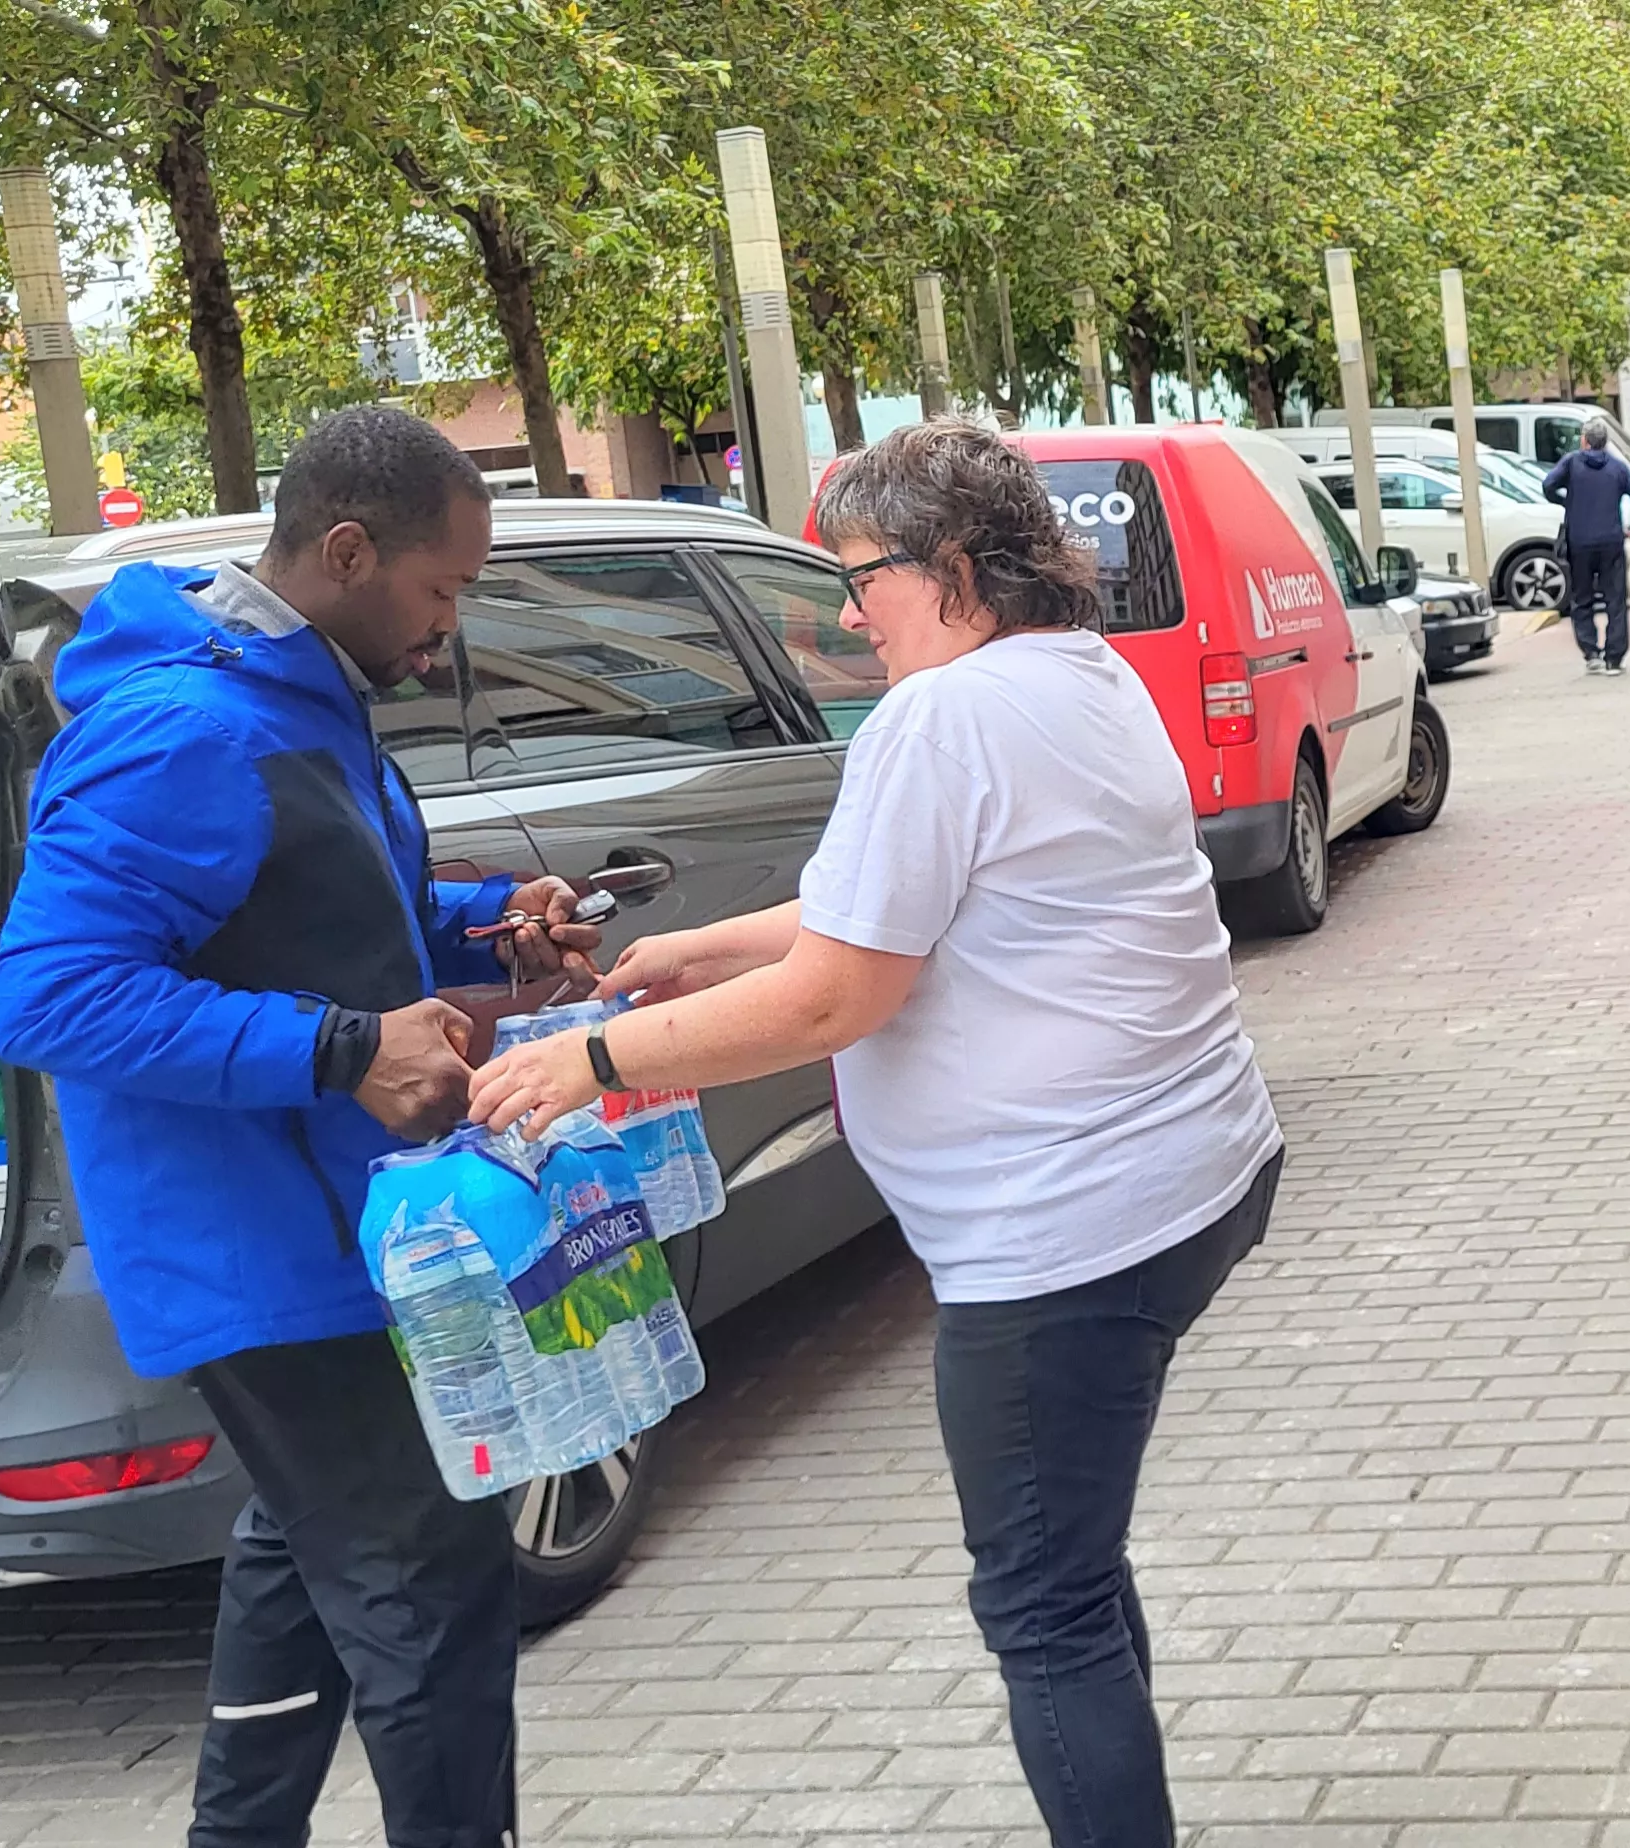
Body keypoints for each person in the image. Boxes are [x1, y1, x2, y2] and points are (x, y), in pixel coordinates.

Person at [466, 416, 1281, 1847]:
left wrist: (591, 1057)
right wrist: (699, 948)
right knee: (1071, 1574)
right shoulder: (1076, 677)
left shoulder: (942, 715)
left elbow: (836, 996)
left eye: (864, 576)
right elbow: (898, 900)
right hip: (1190, 1176)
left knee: (1039, 1606)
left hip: (1061, 1239)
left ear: (956, 566)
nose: (845, 612)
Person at [0, 405, 598, 1848]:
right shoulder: (183, 730)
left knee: (304, 1554)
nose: (448, 630)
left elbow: (307, 916)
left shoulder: (291, 699)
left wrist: (485, 921)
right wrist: (338, 1050)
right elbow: (46, 994)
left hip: (335, 1230)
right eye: (442, 590)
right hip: (262, 1257)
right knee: (433, 1586)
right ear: (344, 549)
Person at [1543, 422, 1630, 675]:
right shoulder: (1617, 467)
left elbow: (1548, 485)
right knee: (1615, 599)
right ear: (1605, 442)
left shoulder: (1571, 464)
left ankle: (1591, 653)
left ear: (1584, 441)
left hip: (1579, 541)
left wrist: (1566, 502)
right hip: (1611, 540)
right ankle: (1614, 657)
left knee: (1582, 599)